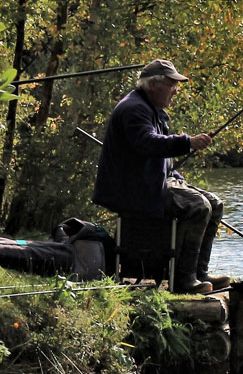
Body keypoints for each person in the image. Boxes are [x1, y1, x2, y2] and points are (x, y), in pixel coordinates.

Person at [93, 59, 230, 294]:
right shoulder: (134, 109)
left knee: (215, 204)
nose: (176, 90)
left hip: (150, 183)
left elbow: (161, 160)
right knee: (198, 206)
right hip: (134, 190)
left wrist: (178, 177)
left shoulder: (153, 110)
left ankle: (199, 272)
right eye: (171, 84)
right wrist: (187, 142)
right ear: (154, 85)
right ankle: (183, 280)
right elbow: (147, 143)